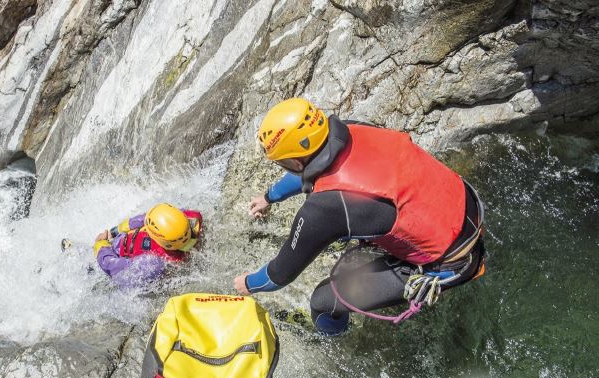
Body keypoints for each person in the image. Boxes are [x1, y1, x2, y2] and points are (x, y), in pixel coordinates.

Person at [233, 98, 485, 335]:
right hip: (464, 207)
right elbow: (313, 167)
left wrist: (248, 283)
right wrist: (269, 196)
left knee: (323, 302)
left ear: (296, 163)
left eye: (282, 162)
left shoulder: (322, 211)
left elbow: (279, 276)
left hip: (451, 263)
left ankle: (339, 337)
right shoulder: (352, 129)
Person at [94, 203, 203, 286]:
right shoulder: (185, 220)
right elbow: (145, 218)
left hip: (114, 255)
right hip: (120, 241)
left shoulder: (152, 264)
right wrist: (116, 230)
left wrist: (101, 245)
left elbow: (111, 267)